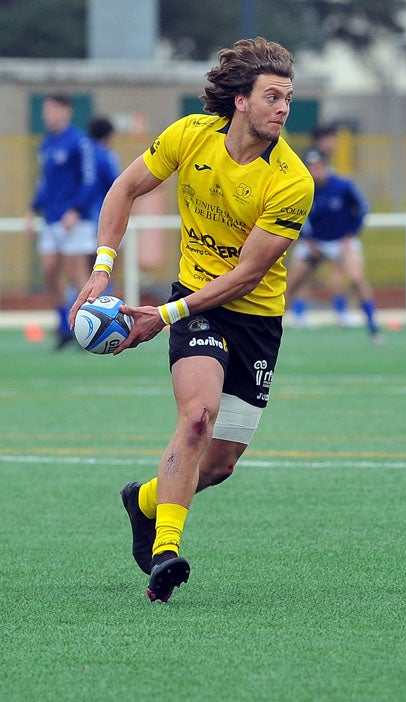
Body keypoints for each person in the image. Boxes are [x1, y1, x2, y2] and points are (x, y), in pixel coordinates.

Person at [68, 37, 314, 603]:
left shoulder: (292, 181)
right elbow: (125, 188)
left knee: (221, 464)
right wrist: (103, 268)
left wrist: (163, 314)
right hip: (193, 305)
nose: (282, 108)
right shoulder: (190, 135)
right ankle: (165, 555)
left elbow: (248, 275)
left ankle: (148, 501)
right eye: (272, 96)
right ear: (240, 102)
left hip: (252, 317)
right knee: (197, 418)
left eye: (289, 98)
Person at [26, 94, 97, 349]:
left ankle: (90, 327)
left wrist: (77, 209)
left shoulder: (80, 142)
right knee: (49, 270)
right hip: (52, 219)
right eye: (45, 110)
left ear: (66, 111)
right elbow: (44, 182)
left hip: (74, 220)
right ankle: (63, 326)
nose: (47, 115)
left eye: (52, 110)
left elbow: (90, 179)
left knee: (77, 273)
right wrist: (33, 210)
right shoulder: (47, 144)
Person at [286, 147, 380, 341]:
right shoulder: (302, 187)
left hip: (341, 241)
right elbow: (292, 214)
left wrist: (350, 235)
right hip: (314, 242)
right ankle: (284, 321)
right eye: (311, 166)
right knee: (292, 282)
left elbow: (362, 209)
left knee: (356, 278)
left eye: (319, 165)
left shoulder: (343, 187)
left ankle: (372, 326)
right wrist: (307, 239)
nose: (316, 170)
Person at [87, 116, 121, 227]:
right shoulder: (106, 156)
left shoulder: (83, 153)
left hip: (82, 214)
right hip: (101, 210)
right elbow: (117, 183)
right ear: (108, 135)